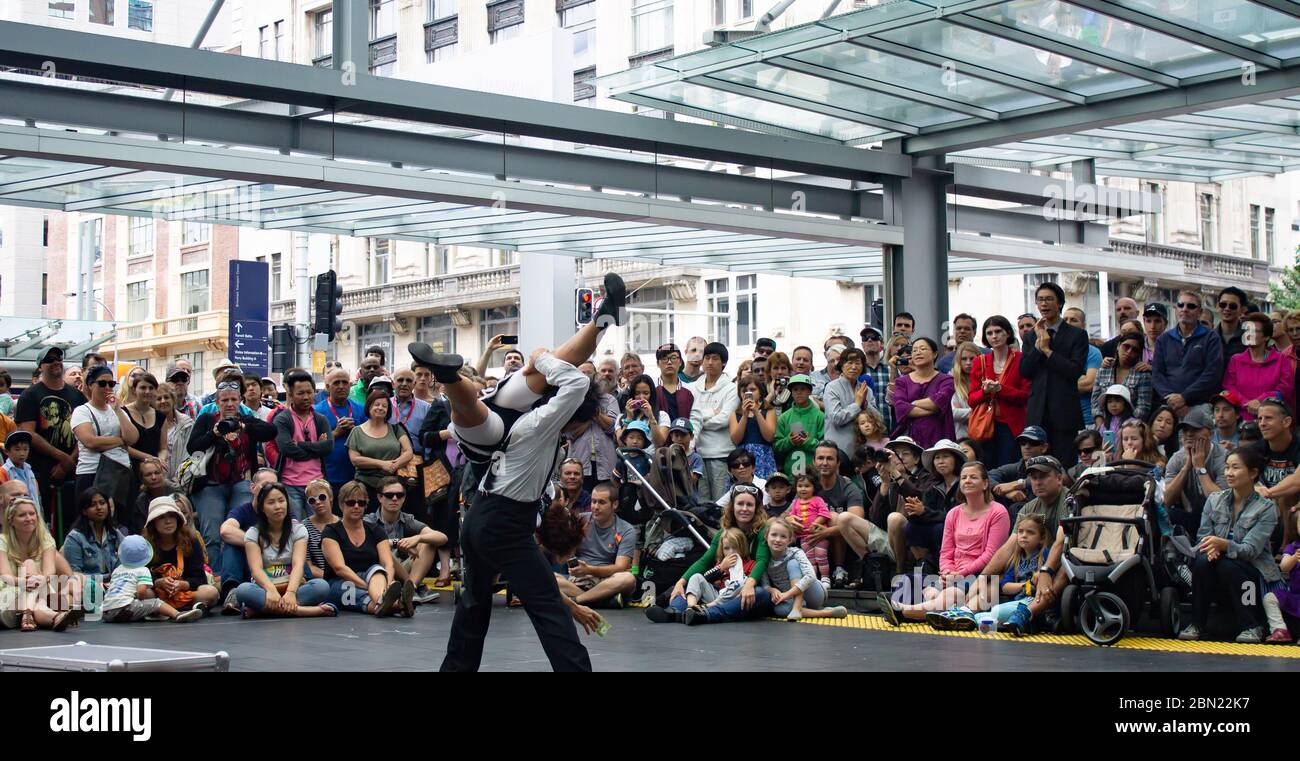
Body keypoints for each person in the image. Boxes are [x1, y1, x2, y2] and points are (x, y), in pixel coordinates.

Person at [878, 461, 1010, 625]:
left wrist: (959, 575)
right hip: (952, 574)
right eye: (964, 478)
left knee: (953, 594)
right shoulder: (954, 513)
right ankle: (931, 613)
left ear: (985, 484)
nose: (967, 481)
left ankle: (903, 612)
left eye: (973, 477)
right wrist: (948, 571)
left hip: (982, 575)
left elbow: (991, 554)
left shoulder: (998, 512)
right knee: (926, 589)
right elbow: (946, 551)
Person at [1178, 447, 1282, 643]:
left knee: (1227, 565)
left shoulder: (1266, 508)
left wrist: (1223, 545)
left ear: (1253, 473)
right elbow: (1203, 536)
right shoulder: (1215, 500)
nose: (1228, 473)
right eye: (1226, 467)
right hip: (1218, 563)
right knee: (1202, 562)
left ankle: (1252, 625)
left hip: (1252, 570)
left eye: (1235, 467)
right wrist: (1211, 548)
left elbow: (1250, 551)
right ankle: (1197, 624)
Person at [644, 484, 773, 625]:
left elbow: (762, 561)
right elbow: (704, 561)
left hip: (749, 587)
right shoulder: (724, 532)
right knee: (691, 582)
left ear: (756, 509)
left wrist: (749, 585)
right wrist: (680, 583)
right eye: (740, 504)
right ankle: (675, 612)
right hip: (724, 587)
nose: (744, 508)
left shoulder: (762, 530)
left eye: (749, 505)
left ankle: (708, 614)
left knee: (762, 594)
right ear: (732, 506)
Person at [188, 379, 275, 575]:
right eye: (225, 400)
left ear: (240, 401)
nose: (229, 404)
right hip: (210, 483)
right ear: (217, 403)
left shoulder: (246, 419)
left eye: (233, 400)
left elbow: (271, 432)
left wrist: (244, 427)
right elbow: (192, 447)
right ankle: (216, 577)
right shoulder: (207, 419)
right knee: (212, 534)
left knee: (241, 530)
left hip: (240, 482)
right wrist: (214, 433)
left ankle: (240, 574)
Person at [235, 481, 336, 618]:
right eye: (271, 502)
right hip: (265, 589)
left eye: (281, 501)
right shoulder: (253, 534)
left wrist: (291, 593)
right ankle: (304, 611)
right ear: (262, 508)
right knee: (243, 590)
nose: (277, 506)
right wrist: (270, 591)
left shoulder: (298, 530)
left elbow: (298, 565)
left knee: (321, 586)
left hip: (294, 586)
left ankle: (262, 610)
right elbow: (256, 569)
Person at [15, 346, 87, 536]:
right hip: (41, 470)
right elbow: (28, 432)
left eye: (59, 358)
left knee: (73, 522)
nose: (56, 362)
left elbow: (85, 432)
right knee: (42, 523)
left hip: (73, 470)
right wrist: (63, 458)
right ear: (40, 367)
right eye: (50, 359)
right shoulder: (30, 395)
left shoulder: (77, 396)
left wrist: (69, 461)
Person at [1020, 282, 1088, 466]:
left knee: (1063, 465)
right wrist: (1037, 349)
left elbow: (1075, 371)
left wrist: (1048, 351)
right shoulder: (1031, 336)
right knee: (1036, 465)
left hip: (1064, 410)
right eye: (1040, 300)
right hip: (1037, 411)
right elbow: (1025, 371)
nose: (1044, 304)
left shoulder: (1077, 335)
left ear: (1060, 303)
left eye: (1049, 299)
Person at [322, 480, 404, 617]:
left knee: (378, 570)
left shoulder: (376, 530)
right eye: (351, 503)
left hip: (373, 579)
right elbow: (339, 568)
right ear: (341, 504)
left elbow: (387, 563)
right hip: (340, 582)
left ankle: (385, 601)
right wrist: (367, 587)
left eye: (361, 503)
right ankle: (398, 605)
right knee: (359, 593)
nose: (356, 506)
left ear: (366, 506)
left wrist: (388, 585)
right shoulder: (331, 532)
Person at [363, 476, 447, 609]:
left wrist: (418, 538)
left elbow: (442, 538)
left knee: (428, 542)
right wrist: (398, 543)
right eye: (389, 495)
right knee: (384, 550)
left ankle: (410, 589)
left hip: (402, 569)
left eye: (399, 495)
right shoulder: (369, 521)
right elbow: (366, 545)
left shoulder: (407, 519)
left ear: (404, 498)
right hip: (381, 572)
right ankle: (413, 587)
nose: (395, 499)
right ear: (380, 498)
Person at [0, 497, 82, 631]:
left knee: (40, 596)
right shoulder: (2, 541)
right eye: (22, 515)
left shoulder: (45, 540)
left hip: (39, 590)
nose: (29, 518)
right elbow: (5, 576)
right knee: (30, 565)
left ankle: (51, 617)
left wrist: (39, 579)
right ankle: (47, 613)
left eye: (32, 514)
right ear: (11, 521)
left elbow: (49, 572)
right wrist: (24, 582)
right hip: (10, 594)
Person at [554, 482, 636, 608]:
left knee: (628, 578)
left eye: (601, 502)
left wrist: (590, 570)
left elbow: (621, 567)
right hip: (580, 580)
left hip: (607, 581)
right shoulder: (580, 520)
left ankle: (577, 600)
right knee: (549, 577)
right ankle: (601, 600)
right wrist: (576, 539)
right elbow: (562, 559)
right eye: (593, 501)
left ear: (614, 505)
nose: (595, 507)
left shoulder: (626, 529)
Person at [70, 365, 139, 504]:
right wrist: (121, 441)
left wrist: (118, 410)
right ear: (90, 385)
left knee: (121, 521)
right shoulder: (82, 411)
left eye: (111, 384)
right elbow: (90, 442)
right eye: (102, 383)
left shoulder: (118, 411)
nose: (107, 388)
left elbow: (132, 438)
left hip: (120, 472)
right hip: (93, 473)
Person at [99, 535, 204, 624]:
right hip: (124, 608)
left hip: (106, 611)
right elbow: (141, 591)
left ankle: (150, 613)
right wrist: (140, 599)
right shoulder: (142, 569)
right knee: (155, 603)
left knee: (142, 606)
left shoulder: (118, 569)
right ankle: (177, 614)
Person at [968, 315, 1029, 469]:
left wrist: (1001, 389)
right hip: (985, 423)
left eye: (998, 331)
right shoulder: (980, 361)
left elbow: (1026, 395)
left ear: (1008, 333)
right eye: (989, 333)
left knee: (1008, 468)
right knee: (986, 469)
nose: (994, 336)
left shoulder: (1021, 359)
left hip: (1011, 425)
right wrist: (985, 391)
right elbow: (971, 399)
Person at [142, 496, 219, 613]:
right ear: (153, 522)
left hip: (184, 592)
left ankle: (167, 610)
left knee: (210, 592)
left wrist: (183, 585)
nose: (168, 521)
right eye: (161, 517)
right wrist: (159, 583)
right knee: (143, 593)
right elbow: (139, 577)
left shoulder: (191, 540)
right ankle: (185, 608)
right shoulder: (144, 545)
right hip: (157, 594)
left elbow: (199, 578)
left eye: (171, 516)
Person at [1153, 291, 1224, 419]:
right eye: (1181, 305)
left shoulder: (1211, 337)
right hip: (1169, 405)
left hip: (1200, 405)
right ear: (1175, 309)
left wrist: (1184, 397)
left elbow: (1212, 374)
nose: (1184, 309)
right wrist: (1173, 399)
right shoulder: (1163, 339)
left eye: (1191, 306)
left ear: (1200, 312)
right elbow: (1157, 374)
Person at [762, 517, 848, 620]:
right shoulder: (764, 559)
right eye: (774, 535)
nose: (778, 540)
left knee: (793, 563)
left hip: (813, 593)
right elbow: (765, 584)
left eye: (783, 536)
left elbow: (811, 576)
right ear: (766, 536)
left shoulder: (795, 552)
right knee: (779, 610)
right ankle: (827, 613)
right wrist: (772, 590)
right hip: (791, 600)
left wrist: (787, 594)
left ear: (789, 540)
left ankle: (797, 607)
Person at [275, 369, 333, 519]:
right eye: (300, 393)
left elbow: (327, 447)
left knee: (319, 527)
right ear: (291, 395)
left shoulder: (320, 419)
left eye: (309, 392)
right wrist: (316, 448)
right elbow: (287, 449)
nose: (306, 397)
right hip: (290, 484)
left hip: (317, 483)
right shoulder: (282, 419)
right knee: (296, 529)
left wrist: (299, 444)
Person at [1163, 407, 1228, 536]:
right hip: (1193, 517)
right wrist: (1186, 468)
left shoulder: (1225, 458)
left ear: (1211, 434)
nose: (1189, 434)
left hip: (1223, 520)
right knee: (1168, 515)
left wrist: (1200, 468)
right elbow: (1166, 501)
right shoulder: (1177, 458)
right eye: (1186, 430)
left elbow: (1220, 503)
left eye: (1196, 429)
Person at [688, 342, 739, 502]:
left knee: (721, 502)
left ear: (723, 362)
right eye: (707, 358)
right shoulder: (691, 388)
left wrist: (697, 419)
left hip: (721, 454)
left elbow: (723, 420)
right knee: (702, 503)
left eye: (715, 358)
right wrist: (710, 413)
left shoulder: (732, 388)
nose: (710, 362)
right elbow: (688, 418)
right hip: (697, 455)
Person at [347, 390, 413, 511]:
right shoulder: (357, 431)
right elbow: (355, 459)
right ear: (369, 406)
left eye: (384, 406)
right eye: (376, 404)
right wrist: (382, 464)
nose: (380, 408)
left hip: (393, 488)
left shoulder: (395, 428)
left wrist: (394, 465)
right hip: (365, 487)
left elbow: (408, 451)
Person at [1223, 312, 1295, 422]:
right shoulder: (1236, 360)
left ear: (1266, 337)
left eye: (1255, 331)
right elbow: (1229, 387)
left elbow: (1285, 389)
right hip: (1243, 420)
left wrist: (1261, 401)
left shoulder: (1281, 359)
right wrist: (1246, 403)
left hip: (1273, 420)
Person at [891, 337, 956, 449]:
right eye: (915, 350)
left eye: (923, 349)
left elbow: (939, 401)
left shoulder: (946, 380)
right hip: (911, 439)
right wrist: (933, 409)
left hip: (940, 437)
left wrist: (913, 403)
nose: (918, 352)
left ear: (935, 354)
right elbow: (900, 408)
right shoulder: (902, 381)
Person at [316, 367, 364, 503]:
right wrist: (336, 433)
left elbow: (370, 438)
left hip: (356, 477)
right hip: (328, 477)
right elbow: (314, 443)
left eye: (345, 382)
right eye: (336, 383)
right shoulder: (317, 411)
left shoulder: (360, 409)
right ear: (327, 387)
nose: (341, 386)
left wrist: (355, 431)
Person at [823, 348, 877, 461]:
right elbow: (836, 418)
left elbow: (877, 419)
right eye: (849, 363)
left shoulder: (866, 389)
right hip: (838, 449)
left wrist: (865, 404)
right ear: (841, 365)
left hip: (863, 450)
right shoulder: (832, 387)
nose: (853, 367)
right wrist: (857, 404)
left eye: (858, 363)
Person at [60, 487, 125, 579]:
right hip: (87, 587)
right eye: (93, 505)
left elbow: (128, 559)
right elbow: (74, 575)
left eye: (102, 503)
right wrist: (106, 577)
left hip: (115, 584)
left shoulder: (115, 533)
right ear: (84, 511)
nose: (99, 508)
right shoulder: (75, 538)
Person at [1092, 331, 1152, 427]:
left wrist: (1124, 428)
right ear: (1118, 346)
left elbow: (1143, 408)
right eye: (1126, 346)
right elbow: (1095, 402)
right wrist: (1102, 426)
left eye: (1134, 350)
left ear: (1138, 354)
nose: (1129, 352)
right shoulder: (1104, 369)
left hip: (1131, 429)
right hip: (1104, 426)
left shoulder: (1142, 374)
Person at [773, 374, 823, 477]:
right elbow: (776, 446)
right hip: (790, 473)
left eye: (803, 389)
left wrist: (809, 442)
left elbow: (826, 445)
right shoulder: (784, 417)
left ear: (809, 391)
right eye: (795, 389)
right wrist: (790, 441)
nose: (799, 392)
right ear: (791, 393)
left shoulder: (820, 416)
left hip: (815, 474)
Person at [729, 374, 777, 479]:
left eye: (752, 389)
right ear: (740, 394)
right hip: (742, 459)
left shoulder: (769, 411)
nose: (748, 393)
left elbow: (769, 437)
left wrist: (757, 412)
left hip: (763, 456)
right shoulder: (735, 414)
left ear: (760, 392)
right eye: (744, 390)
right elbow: (736, 440)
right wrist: (745, 415)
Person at [1262, 509, 1299, 642]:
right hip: (1295, 596)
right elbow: (1283, 567)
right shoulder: (1293, 548)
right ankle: (1279, 629)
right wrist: (1294, 558)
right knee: (1270, 597)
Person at [787, 473, 832, 584]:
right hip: (803, 537)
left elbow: (825, 513)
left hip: (819, 534)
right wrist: (794, 522)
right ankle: (815, 580)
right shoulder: (795, 503)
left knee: (821, 555)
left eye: (807, 486)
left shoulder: (817, 500)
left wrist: (815, 523)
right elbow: (792, 516)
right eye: (800, 486)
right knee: (810, 559)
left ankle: (825, 578)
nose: (803, 489)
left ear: (814, 487)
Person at [123, 373, 165, 477]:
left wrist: (161, 460)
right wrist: (149, 457)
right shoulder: (123, 413)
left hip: (152, 472)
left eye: (151, 388)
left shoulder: (160, 416)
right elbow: (122, 446)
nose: (147, 391)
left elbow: (163, 447)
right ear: (133, 390)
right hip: (129, 469)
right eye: (143, 387)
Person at [156, 384, 193, 491]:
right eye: (158, 398)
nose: (163, 401)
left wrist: (180, 477)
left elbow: (189, 454)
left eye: (166, 397)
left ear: (173, 399)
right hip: (157, 481)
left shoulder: (187, 424)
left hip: (181, 481)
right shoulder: (150, 425)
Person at [302, 478, 340, 582]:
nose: (318, 502)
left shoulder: (343, 524)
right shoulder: (303, 527)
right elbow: (308, 566)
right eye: (312, 500)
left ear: (331, 497)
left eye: (322, 497)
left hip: (345, 576)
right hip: (319, 581)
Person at [617, 373, 669, 449]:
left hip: (651, 459)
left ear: (652, 395)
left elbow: (660, 443)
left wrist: (651, 417)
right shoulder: (621, 417)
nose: (641, 398)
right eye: (637, 393)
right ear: (632, 395)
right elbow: (621, 444)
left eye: (646, 393)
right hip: (628, 460)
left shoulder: (662, 416)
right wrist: (628, 419)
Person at [390, 367, 431, 456]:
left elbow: (429, 438)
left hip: (417, 461)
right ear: (393, 384)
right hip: (388, 460)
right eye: (400, 380)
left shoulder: (426, 408)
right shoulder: (384, 405)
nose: (404, 384)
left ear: (414, 384)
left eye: (408, 381)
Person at [2, 430, 41, 519]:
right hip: (12, 518)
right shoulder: (4, 472)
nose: (22, 453)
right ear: (7, 451)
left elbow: (36, 496)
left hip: (33, 516)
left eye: (25, 449)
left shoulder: (29, 470)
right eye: (17, 449)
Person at [652, 343, 694, 424]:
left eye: (673, 358)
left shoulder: (690, 389)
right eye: (664, 358)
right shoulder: (651, 388)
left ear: (681, 362)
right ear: (657, 363)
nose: (669, 362)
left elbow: (695, 418)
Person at [949, 342, 981, 440]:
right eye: (964, 359)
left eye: (972, 358)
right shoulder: (951, 381)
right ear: (958, 361)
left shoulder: (985, 380)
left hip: (984, 434)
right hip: (961, 437)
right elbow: (953, 413)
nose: (968, 362)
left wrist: (963, 413)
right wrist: (980, 413)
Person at [1215, 286, 1250, 366]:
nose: (1227, 309)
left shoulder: (1250, 338)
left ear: (1242, 310)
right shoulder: (1209, 337)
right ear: (1217, 306)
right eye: (1223, 304)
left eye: (1232, 306)